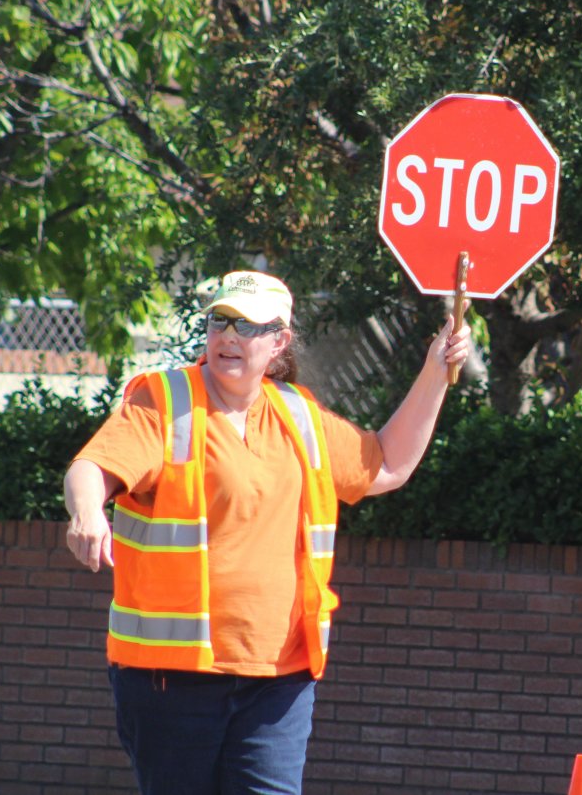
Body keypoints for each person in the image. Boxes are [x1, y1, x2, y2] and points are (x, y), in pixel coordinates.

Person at [63, 270, 471, 795]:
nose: (229, 337)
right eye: (220, 321)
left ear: (279, 340)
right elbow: (91, 467)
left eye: (248, 327)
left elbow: (387, 465)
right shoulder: (165, 401)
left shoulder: (299, 413)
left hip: (281, 677)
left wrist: (436, 371)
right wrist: (87, 512)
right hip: (172, 680)